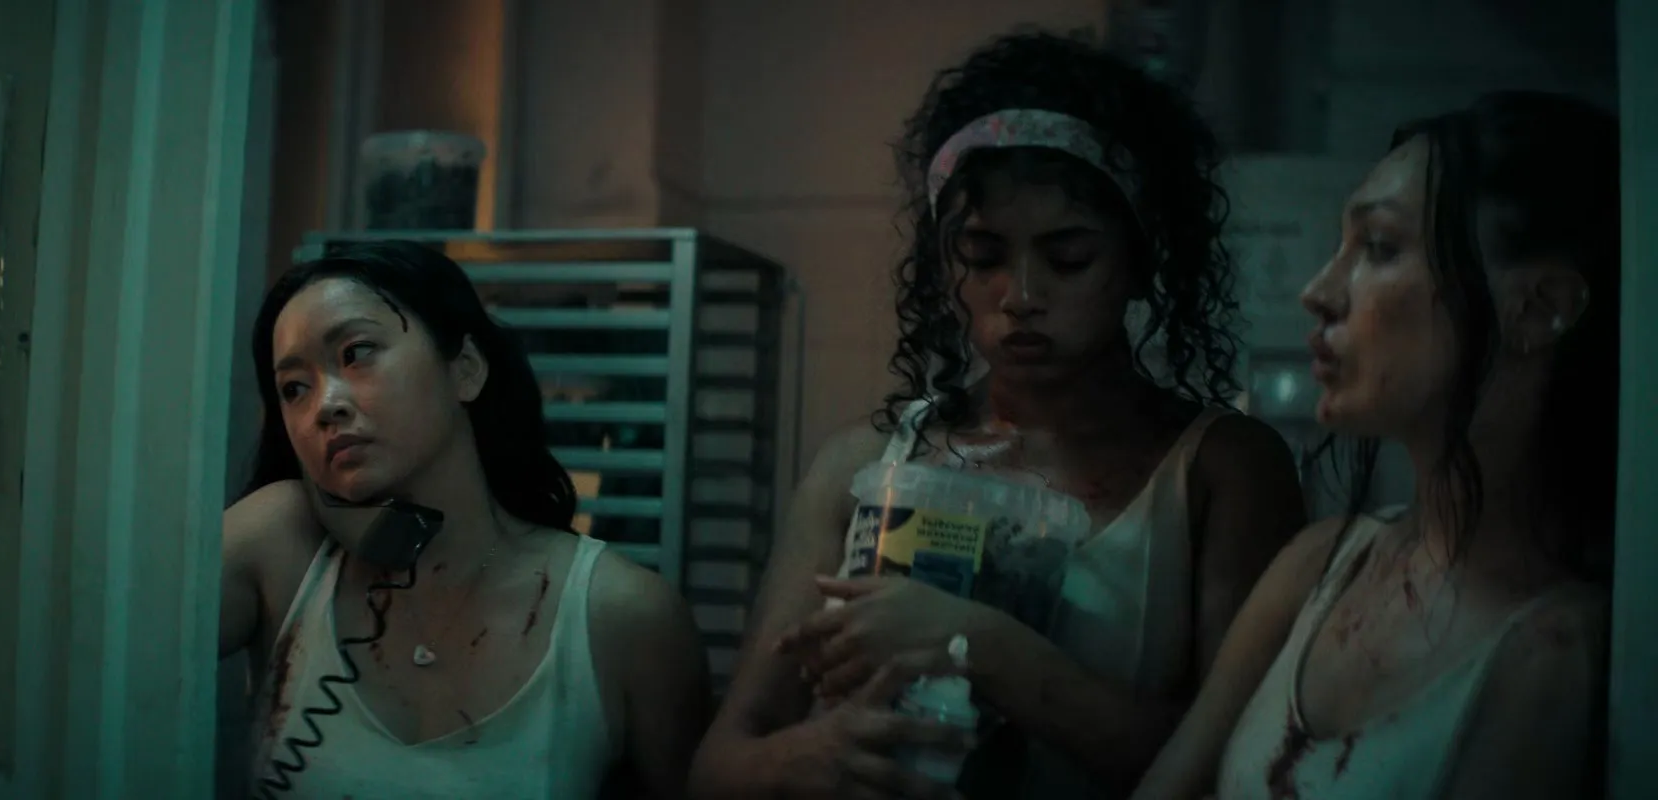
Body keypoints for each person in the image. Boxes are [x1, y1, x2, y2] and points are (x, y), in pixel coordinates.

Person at [689, 30, 1308, 800]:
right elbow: (718, 766)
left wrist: (980, 643)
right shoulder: (863, 468)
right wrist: (803, 760)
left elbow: (1243, 767)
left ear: (1142, 256)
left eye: (1068, 257)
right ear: (942, 263)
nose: (1021, 296)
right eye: (982, 257)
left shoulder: (1221, 471)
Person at [1131, 91, 1619, 800]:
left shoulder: (1559, 649)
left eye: (1381, 248)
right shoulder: (1317, 565)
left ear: (1539, 306)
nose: (1318, 291)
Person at [219, 241, 712, 799]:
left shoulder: (622, 615)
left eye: (357, 353)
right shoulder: (282, 541)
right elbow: (134, 631)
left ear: (467, 370)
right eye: (294, 389)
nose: (324, 404)